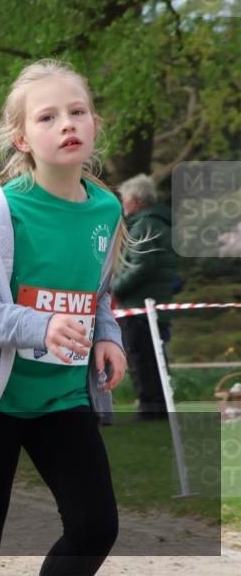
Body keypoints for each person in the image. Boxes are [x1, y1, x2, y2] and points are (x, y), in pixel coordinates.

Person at [0, 59, 128, 575]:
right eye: (48, 117)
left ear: (94, 124)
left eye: (77, 112)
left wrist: (108, 335)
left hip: (64, 399)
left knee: (95, 529)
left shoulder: (107, 209)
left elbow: (97, 292)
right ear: (21, 139)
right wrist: (38, 326)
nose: (67, 124)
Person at [112, 173, 177, 420]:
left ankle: (150, 407)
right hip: (155, 302)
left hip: (138, 304)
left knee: (141, 357)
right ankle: (159, 405)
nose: (123, 205)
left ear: (136, 201)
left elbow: (141, 265)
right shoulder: (159, 223)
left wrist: (116, 288)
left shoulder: (144, 225)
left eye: (124, 200)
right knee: (155, 357)